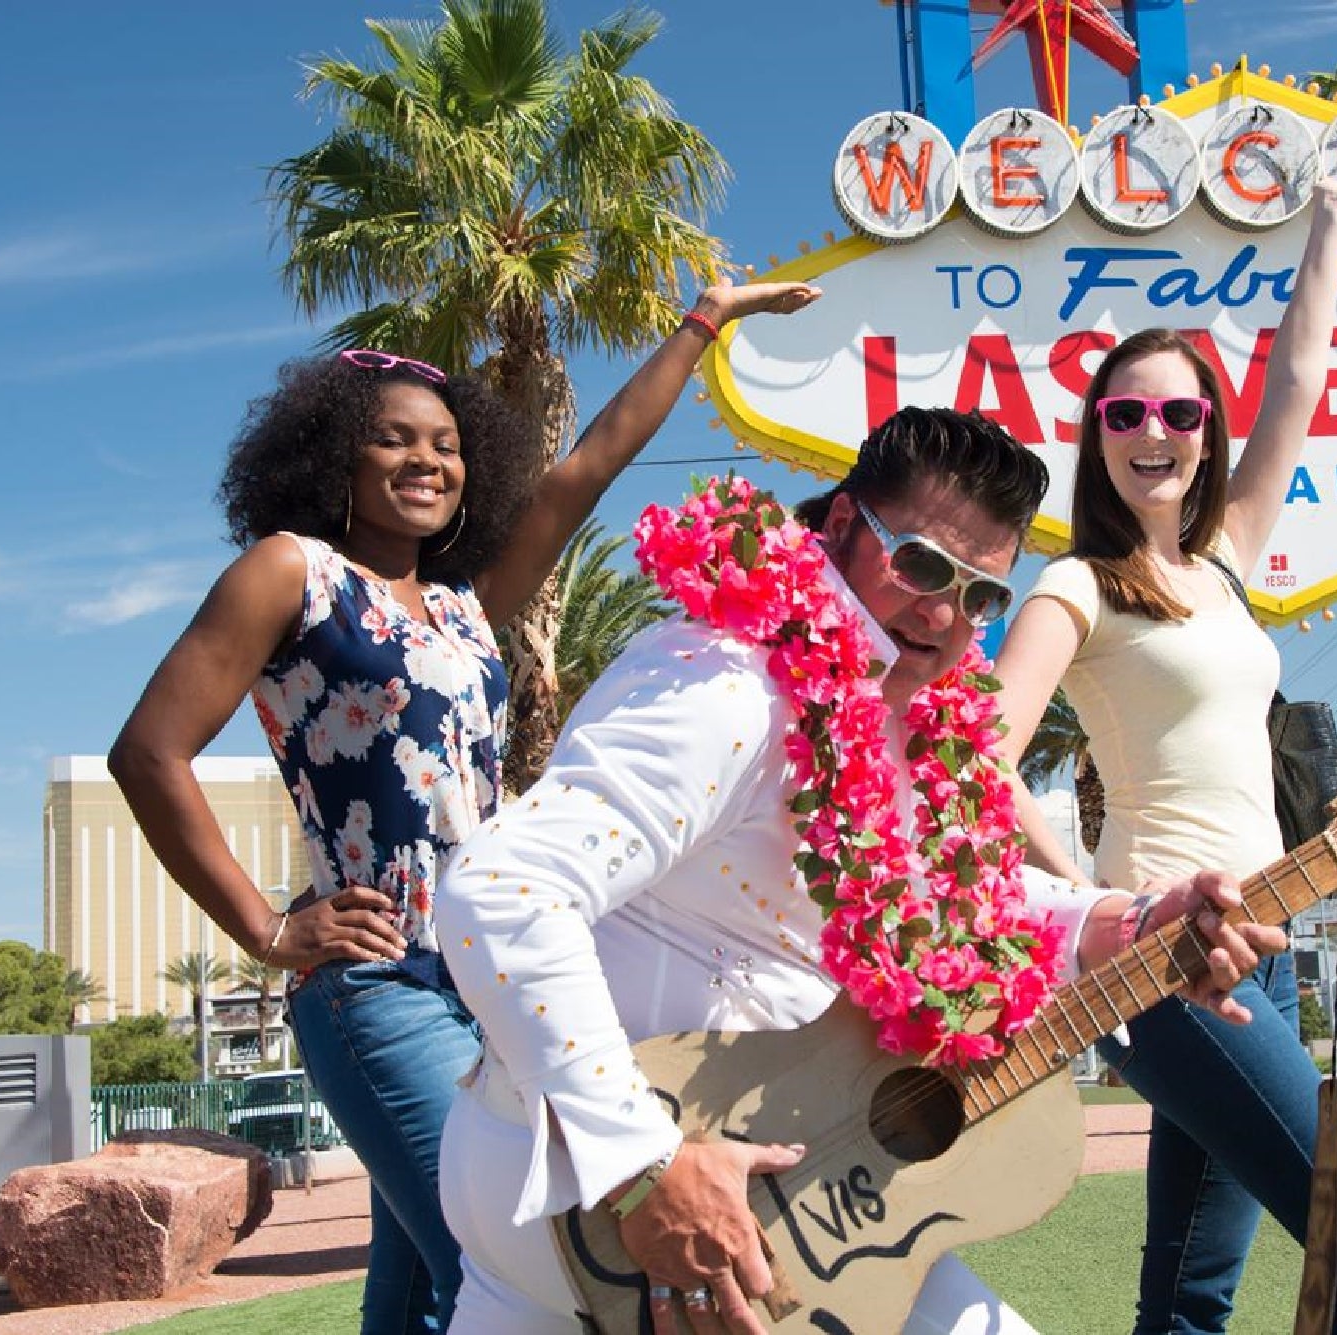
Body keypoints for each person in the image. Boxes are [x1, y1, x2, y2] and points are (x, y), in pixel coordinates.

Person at [432, 407, 1288, 1335]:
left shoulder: (912, 722)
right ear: (840, 527)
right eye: (920, 565)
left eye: (983, 597)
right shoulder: (727, 681)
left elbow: (966, 901)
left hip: (777, 1191)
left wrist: (1125, 922)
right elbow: (504, 888)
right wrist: (644, 1164)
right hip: (592, 1190)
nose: (945, 613)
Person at [107, 280, 820, 1334]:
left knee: (420, 1293)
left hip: (493, 977)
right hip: (381, 983)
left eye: (444, 445)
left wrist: (703, 320)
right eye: (392, 441)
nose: (425, 463)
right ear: (335, 457)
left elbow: (587, 468)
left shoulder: (463, 604)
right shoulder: (290, 573)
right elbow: (148, 754)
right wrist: (266, 928)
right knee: (515, 1265)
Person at [990, 154, 1337, 1334]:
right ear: (1098, 438)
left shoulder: (1224, 561)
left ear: (1204, 435)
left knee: (1187, 1295)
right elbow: (972, 751)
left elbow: (1296, 384)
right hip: (1167, 961)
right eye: (1122, 412)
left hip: (1265, 947)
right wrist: (1084, 896)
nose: (1151, 431)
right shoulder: (1076, 583)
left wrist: (1328, 220)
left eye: (1178, 411)